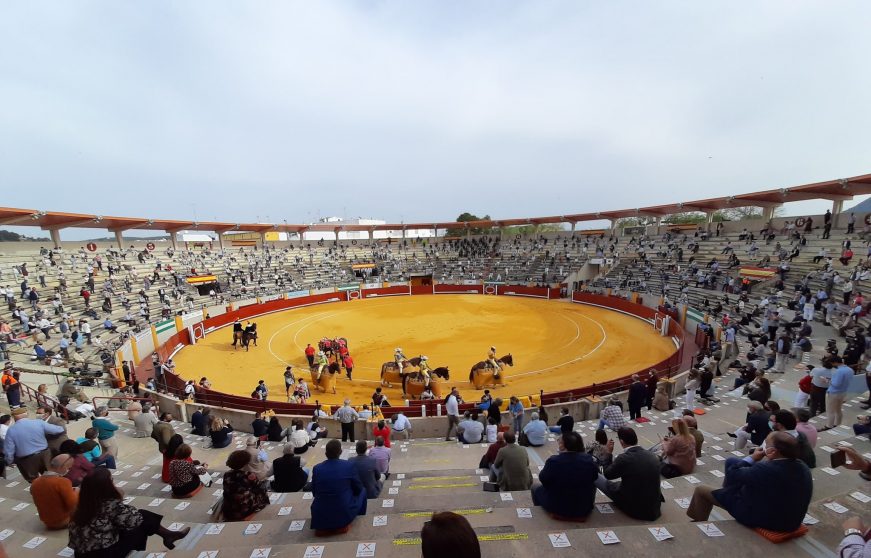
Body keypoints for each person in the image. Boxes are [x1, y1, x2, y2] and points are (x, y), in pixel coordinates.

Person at [686, 432, 812, 532]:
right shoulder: (803, 467)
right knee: (732, 461)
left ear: (772, 452)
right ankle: (728, 491)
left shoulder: (765, 469)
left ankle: (698, 523)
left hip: (766, 519)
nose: (763, 448)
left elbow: (732, 473)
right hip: (792, 519)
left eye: (765, 445)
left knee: (701, 490)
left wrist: (752, 458)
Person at [68, 468, 190, 556]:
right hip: (105, 554)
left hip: (81, 554)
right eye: (111, 480)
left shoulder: (81, 504)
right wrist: (118, 496)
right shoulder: (110, 505)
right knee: (143, 517)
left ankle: (168, 535)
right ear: (106, 486)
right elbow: (135, 520)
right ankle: (168, 535)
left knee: (138, 518)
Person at [595, 427, 663, 520]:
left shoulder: (624, 458)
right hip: (654, 507)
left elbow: (608, 475)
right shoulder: (652, 455)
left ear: (622, 442)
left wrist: (608, 453)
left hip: (635, 508)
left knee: (594, 474)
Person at [533, 432, 597, 520]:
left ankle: (541, 519)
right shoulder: (590, 461)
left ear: (563, 446)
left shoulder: (553, 461)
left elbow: (543, 479)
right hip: (583, 508)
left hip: (558, 508)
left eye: (560, 442)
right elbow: (594, 477)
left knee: (535, 488)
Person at [310, 439, 367, 531]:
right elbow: (358, 489)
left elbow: (314, 492)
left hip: (319, 516)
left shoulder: (317, 468)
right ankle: (360, 517)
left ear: (326, 453)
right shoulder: (349, 466)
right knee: (363, 491)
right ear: (340, 452)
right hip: (343, 515)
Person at [3, 406, 65, 482]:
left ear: (14, 418)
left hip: (26, 460)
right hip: (45, 455)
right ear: (27, 415)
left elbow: (9, 450)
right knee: (52, 476)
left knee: (34, 481)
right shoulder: (38, 422)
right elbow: (59, 430)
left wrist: (9, 461)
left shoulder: (11, 430)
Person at [31, 453, 78, 529]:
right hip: (63, 521)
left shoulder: (35, 482)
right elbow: (72, 505)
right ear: (63, 467)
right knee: (79, 491)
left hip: (47, 522)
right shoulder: (63, 482)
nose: (69, 470)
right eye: (69, 468)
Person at [221, 450, 270, 521]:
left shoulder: (227, 474)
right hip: (244, 508)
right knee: (262, 489)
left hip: (230, 507)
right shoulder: (249, 475)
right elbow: (260, 487)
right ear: (245, 463)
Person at [821, 355, 855, 430]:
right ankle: (837, 424)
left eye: (832, 363)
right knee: (838, 410)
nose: (832, 365)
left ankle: (829, 426)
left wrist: (827, 380)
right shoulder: (850, 370)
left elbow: (836, 384)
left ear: (835, 362)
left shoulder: (839, 371)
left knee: (830, 411)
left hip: (834, 392)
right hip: (843, 392)